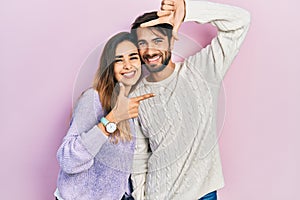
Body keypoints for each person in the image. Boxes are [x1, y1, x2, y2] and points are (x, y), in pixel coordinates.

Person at [130, 0, 251, 199]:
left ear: (171, 40)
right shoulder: (135, 95)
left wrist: (187, 10)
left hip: (203, 193)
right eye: (142, 43)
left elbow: (240, 21)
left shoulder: (201, 71)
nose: (149, 51)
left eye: (157, 41)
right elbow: (139, 154)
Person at [54, 32, 154, 200]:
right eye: (119, 60)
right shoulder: (94, 99)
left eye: (133, 57)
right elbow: (68, 160)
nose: (128, 65)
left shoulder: (134, 103)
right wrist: (112, 118)